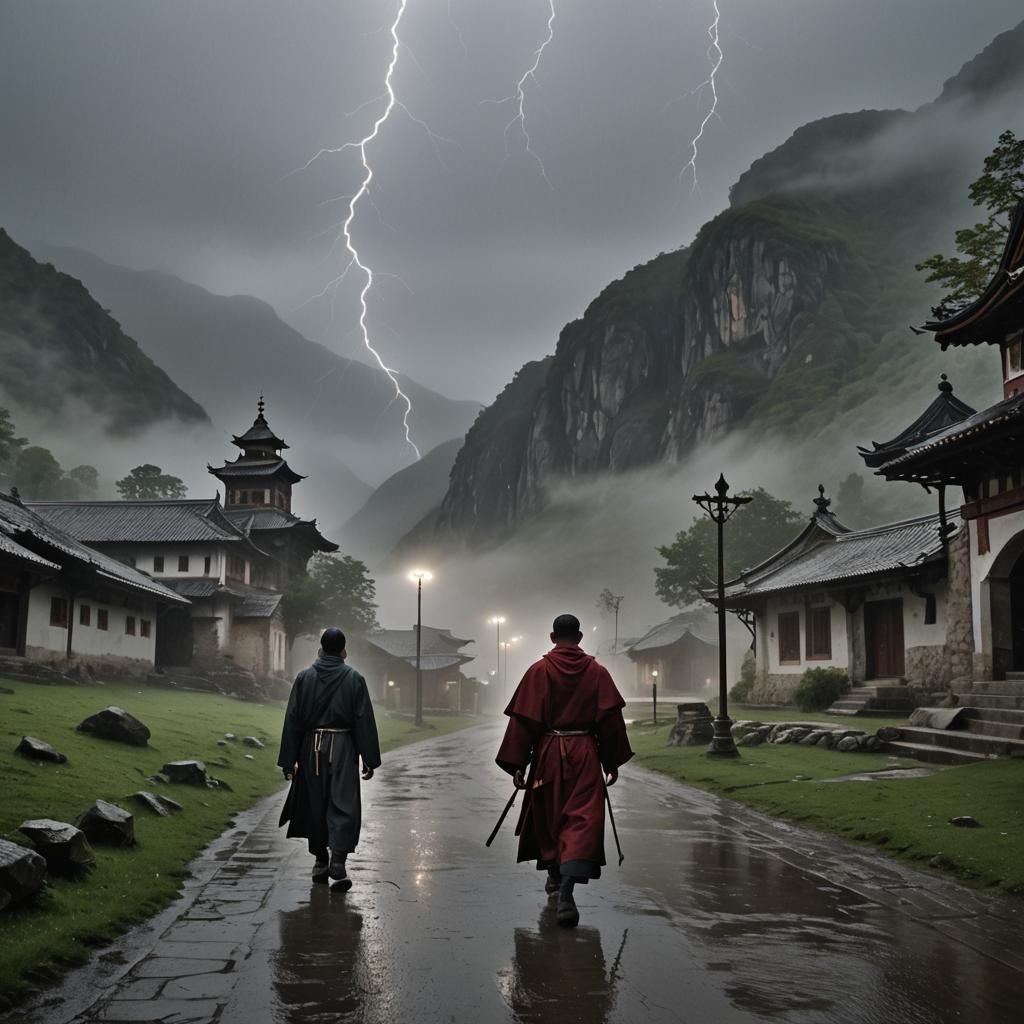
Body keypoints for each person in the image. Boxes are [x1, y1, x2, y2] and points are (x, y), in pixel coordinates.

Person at [496, 613, 633, 927]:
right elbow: (611, 722)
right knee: (582, 820)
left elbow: (523, 721)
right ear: (580, 637)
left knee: (550, 817)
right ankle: (566, 891)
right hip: (585, 754)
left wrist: (517, 763)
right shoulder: (597, 672)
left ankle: (559, 883)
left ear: (552, 636)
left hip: (549, 754)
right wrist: (610, 760)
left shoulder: (538, 671)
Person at [277, 627, 381, 887]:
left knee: (315, 803)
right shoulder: (355, 679)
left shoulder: (304, 678)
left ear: (320, 649)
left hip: (310, 747)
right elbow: (363, 720)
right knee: (343, 803)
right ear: (344, 651)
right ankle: (338, 862)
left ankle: (320, 860)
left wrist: (289, 760)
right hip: (343, 747)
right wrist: (368, 757)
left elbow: (293, 720)